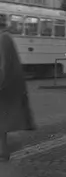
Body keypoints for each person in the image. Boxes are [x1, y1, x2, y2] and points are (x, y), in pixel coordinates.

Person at [0, 14, 35, 161]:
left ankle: (3, 152)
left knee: (3, 121)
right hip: (8, 86)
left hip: (4, 87)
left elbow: (3, 65)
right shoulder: (5, 37)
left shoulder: (3, 38)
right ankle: (3, 151)